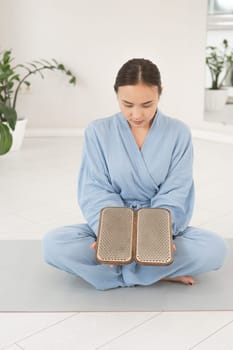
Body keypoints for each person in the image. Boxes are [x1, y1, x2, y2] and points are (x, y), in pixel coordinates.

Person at [42, 58, 228, 290]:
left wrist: (157, 237)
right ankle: (154, 272)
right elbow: (95, 187)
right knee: (54, 244)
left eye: (147, 104)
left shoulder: (178, 133)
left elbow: (176, 190)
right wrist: (111, 235)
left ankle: (116, 270)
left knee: (214, 249)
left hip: (160, 226)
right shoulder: (98, 132)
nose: (137, 114)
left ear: (160, 94)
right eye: (127, 104)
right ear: (116, 96)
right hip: (110, 223)